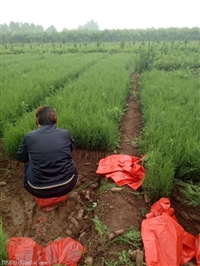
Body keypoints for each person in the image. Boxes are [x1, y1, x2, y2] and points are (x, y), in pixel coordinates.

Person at [17, 106, 79, 198]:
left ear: (37, 121)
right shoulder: (65, 133)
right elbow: (70, 149)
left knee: (29, 165)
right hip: (67, 184)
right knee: (70, 161)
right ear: (55, 120)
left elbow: (21, 158)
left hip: (37, 189)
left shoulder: (29, 136)